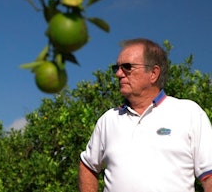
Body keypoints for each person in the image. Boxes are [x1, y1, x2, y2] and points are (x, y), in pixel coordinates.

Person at [78, 38, 212, 192]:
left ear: (153, 73)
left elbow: (209, 176)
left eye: (127, 67)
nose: (118, 74)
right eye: (117, 67)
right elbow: (87, 165)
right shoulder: (108, 120)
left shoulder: (189, 113)